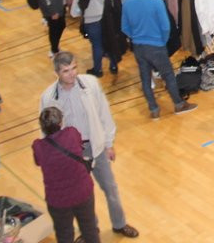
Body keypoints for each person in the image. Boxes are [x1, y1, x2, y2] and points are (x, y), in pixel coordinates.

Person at [39, 52, 139, 238]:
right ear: (57, 73)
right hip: (73, 153)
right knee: (83, 196)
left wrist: (108, 143)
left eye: (74, 68)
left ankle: (119, 223)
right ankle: (90, 230)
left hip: (96, 145)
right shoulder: (48, 98)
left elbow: (104, 113)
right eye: (66, 71)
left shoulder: (91, 84)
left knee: (110, 188)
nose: (72, 74)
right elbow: (46, 131)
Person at [121, 0, 197, 118]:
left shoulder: (128, 3)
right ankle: (178, 104)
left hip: (138, 46)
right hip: (156, 45)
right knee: (168, 75)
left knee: (145, 78)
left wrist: (135, 37)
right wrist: (162, 41)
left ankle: (154, 109)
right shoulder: (156, 1)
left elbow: (124, 27)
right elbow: (165, 26)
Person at [32, 107, 102, 243]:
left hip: (58, 200)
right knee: (89, 230)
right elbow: (79, 142)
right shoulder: (71, 133)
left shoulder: (38, 146)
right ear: (60, 123)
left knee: (64, 234)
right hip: (82, 193)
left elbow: (38, 161)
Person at [69, 0, 117, 76]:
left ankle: (98, 69)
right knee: (109, 40)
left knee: (96, 44)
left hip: (92, 18)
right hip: (107, 16)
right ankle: (113, 65)